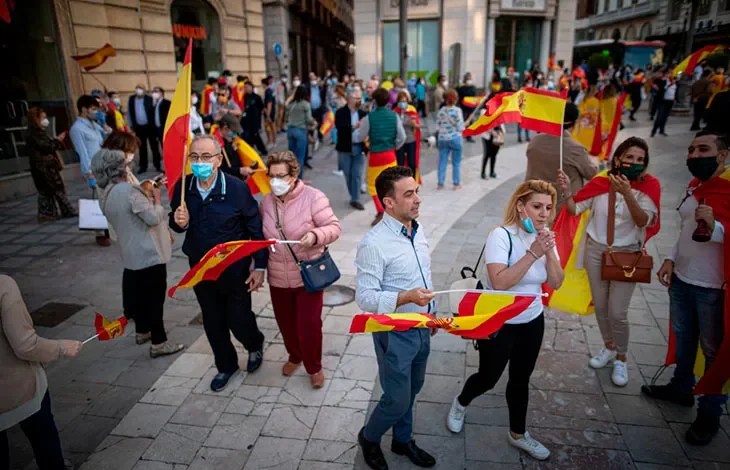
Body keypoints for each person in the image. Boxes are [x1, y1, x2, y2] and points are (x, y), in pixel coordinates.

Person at [446, 180, 564, 461]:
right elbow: (500, 283)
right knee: (488, 377)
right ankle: (460, 402)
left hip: (532, 319)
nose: (544, 213)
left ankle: (518, 434)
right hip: (499, 321)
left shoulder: (545, 237)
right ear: (521, 206)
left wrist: (548, 252)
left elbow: (556, 282)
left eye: (548, 207)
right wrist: (533, 252)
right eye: (537, 206)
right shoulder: (500, 236)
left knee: (521, 378)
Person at [644, 130, 729, 446]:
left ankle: (710, 414)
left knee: (713, 352)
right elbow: (685, 231)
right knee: (683, 338)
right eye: (691, 149)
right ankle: (681, 388)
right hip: (683, 278)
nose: (694, 155)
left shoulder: (727, 191)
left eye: (703, 149)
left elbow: (721, 233)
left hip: (714, 287)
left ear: (722, 155)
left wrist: (717, 227)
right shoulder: (693, 188)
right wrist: (669, 258)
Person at [557, 137, 660, 387]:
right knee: (601, 307)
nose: (634, 163)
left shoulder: (650, 185)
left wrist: (628, 194)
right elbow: (574, 209)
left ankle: (622, 358)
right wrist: (567, 192)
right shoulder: (601, 181)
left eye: (640, 160)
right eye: (629, 158)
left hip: (628, 254)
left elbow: (643, 221)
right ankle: (608, 347)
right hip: (596, 250)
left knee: (618, 311)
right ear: (617, 159)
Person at [170, 135, 267, 392]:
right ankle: (226, 366)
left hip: (234, 269)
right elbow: (176, 224)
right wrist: (179, 222)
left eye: (206, 157)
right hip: (200, 269)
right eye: (194, 157)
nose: (199, 162)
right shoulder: (184, 187)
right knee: (212, 321)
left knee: (239, 318)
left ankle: (254, 343)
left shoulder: (236, 188)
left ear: (218, 159)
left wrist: (259, 267)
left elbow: (254, 228)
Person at [355, 166, 437, 470]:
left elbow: (423, 273)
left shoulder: (417, 227)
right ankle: (370, 437)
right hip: (395, 331)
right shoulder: (373, 244)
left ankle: (402, 441)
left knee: (413, 389)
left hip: (422, 326)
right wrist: (406, 298)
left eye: (417, 191)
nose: (418, 199)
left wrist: (432, 312)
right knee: (397, 398)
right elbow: (365, 299)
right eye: (409, 194)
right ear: (388, 203)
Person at [92, 142, 184, 358]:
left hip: (130, 253)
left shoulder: (105, 192)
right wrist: (158, 199)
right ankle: (159, 343)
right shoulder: (129, 190)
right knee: (154, 299)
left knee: (142, 297)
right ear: (120, 167)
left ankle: (143, 331)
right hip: (148, 253)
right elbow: (152, 217)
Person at [259, 151, 341, 388]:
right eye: (271, 176)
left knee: (309, 324)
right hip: (278, 276)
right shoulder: (266, 203)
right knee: (285, 323)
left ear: (293, 175)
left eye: (280, 175)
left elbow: (334, 227)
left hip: (308, 275)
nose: (275, 181)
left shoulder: (313, 198)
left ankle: (313, 366)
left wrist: (315, 235)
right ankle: (295, 355)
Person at [0, 275, 83, 470]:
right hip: (19, 386)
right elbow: (25, 345)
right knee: (43, 434)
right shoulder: (3, 285)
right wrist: (62, 347)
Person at [525, 103, 598, 211]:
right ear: (574, 123)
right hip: (560, 209)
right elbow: (591, 173)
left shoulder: (535, 141)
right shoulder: (575, 148)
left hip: (532, 202)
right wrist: (595, 161)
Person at [358, 88, 406, 226]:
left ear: (375, 101)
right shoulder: (394, 116)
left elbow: (361, 136)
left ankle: (381, 211)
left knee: (373, 185)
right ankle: (393, 212)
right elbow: (402, 136)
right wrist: (394, 146)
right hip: (390, 155)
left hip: (375, 155)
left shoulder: (369, 117)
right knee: (391, 184)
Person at [70, 94, 111, 247]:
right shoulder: (77, 128)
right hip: (94, 169)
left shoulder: (94, 124)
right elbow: (82, 152)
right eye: (93, 109)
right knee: (98, 202)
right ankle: (100, 233)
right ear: (83, 109)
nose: (95, 112)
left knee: (107, 199)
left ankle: (109, 228)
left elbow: (107, 136)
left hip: (104, 165)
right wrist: (89, 173)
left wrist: (104, 125)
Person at [25, 107, 76, 222]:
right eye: (43, 117)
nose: (46, 120)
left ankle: (50, 213)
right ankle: (61, 211)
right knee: (54, 189)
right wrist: (57, 141)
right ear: (35, 119)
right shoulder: (34, 134)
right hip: (44, 168)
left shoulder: (39, 133)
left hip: (45, 166)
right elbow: (47, 147)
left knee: (48, 191)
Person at [335, 88, 368, 210]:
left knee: (357, 175)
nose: (360, 101)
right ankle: (353, 195)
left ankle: (355, 199)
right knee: (348, 174)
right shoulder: (340, 113)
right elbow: (340, 128)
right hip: (345, 148)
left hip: (359, 147)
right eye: (357, 98)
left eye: (360, 98)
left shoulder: (363, 114)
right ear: (349, 99)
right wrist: (353, 127)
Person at [127, 84, 161, 173]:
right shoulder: (132, 99)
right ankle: (143, 167)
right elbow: (129, 112)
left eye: (141, 88)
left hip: (150, 127)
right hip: (138, 127)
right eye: (137, 88)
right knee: (142, 148)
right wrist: (131, 125)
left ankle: (157, 165)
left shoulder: (149, 99)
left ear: (145, 90)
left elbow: (154, 112)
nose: (139, 90)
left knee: (154, 147)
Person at [436, 89, 465, 190]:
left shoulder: (441, 111)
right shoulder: (457, 111)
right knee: (456, 163)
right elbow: (460, 127)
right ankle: (456, 184)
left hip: (442, 139)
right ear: (456, 99)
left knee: (442, 162)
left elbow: (437, 126)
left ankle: (440, 183)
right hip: (455, 138)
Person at [286, 85, 315, 178]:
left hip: (290, 130)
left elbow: (286, 116)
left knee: (291, 156)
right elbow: (308, 119)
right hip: (300, 131)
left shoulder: (291, 104)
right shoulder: (305, 104)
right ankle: (299, 178)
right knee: (300, 157)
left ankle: (291, 176)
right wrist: (314, 122)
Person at [394, 91, 420, 172]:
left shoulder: (411, 111)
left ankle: (412, 181)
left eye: (404, 101)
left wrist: (413, 124)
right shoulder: (395, 112)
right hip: (399, 141)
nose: (403, 103)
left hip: (410, 140)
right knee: (400, 163)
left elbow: (418, 126)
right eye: (401, 101)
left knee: (411, 163)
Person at [307, 74, 326, 150]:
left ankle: (320, 136)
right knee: (310, 123)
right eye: (312, 80)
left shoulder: (320, 88)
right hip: (311, 108)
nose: (313, 81)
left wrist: (322, 84)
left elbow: (324, 92)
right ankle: (311, 137)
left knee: (320, 123)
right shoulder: (308, 88)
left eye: (315, 79)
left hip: (319, 108)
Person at [457, 73, 476, 142]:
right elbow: (461, 95)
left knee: (470, 122)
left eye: (470, 78)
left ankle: (469, 136)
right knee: (463, 122)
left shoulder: (473, 87)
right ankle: (461, 134)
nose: (469, 80)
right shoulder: (461, 87)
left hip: (471, 108)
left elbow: (474, 95)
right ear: (465, 79)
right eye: (468, 78)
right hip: (463, 107)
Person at [263, 76, 277, 145]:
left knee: (271, 125)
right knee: (268, 126)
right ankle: (270, 140)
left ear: (264, 84)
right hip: (269, 111)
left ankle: (273, 141)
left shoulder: (268, 92)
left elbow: (269, 103)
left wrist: (268, 115)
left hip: (269, 112)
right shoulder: (269, 91)